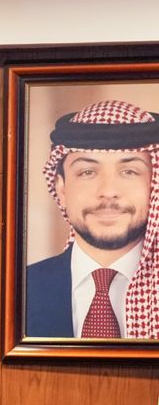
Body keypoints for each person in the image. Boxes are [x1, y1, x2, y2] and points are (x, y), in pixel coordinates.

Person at [25, 100, 159, 339]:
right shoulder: (18, 290)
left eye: (129, 172)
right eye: (87, 172)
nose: (108, 191)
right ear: (61, 189)